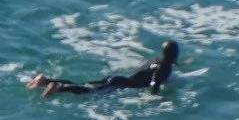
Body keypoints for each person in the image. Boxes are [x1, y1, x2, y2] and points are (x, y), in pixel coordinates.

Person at [31, 40, 179, 97]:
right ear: (173, 55)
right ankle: (59, 88)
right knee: (89, 91)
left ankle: (45, 80)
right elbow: (154, 83)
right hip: (121, 84)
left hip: (118, 78)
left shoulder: (156, 60)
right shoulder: (164, 68)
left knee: (85, 84)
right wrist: (157, 98)